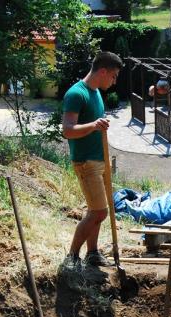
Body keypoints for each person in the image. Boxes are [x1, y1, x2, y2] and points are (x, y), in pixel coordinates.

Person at [61, 51, 124, 269]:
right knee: (99, 212)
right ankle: (72, 257)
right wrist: (94, 125)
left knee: (96, 211)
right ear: (103, 71)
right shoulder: (76, 94)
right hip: (85, 162)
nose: (114, 81)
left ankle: (93, 253)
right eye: (113, 76)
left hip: (99, 161)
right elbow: (67, 130)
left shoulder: (95, 92)